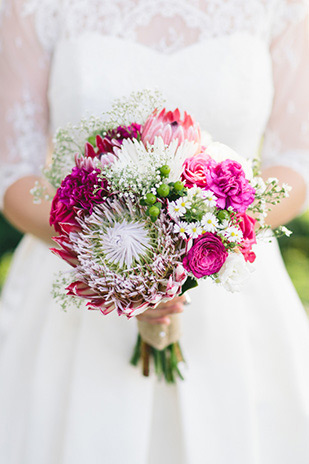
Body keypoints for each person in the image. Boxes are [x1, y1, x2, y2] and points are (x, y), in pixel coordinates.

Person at [0, 0, 309, 463]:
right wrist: (110, 251)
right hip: (78, 291)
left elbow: (296, 166)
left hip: (232, 293)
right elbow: (12, 175)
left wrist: (211, 233)